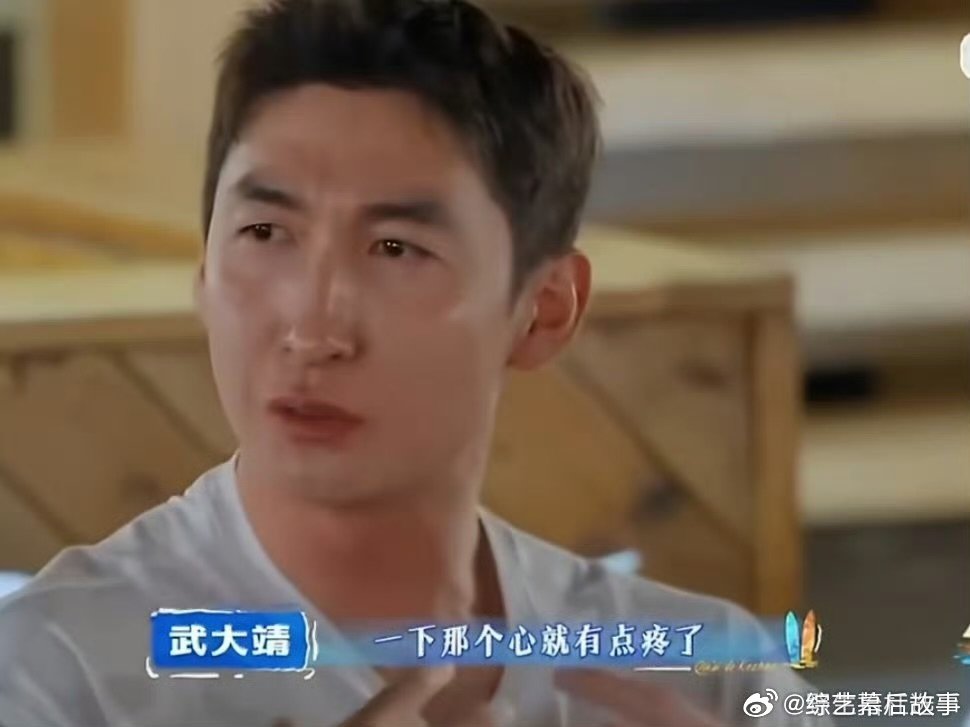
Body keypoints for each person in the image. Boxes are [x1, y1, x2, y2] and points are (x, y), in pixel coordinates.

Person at [0, 1, 828, 725]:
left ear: (544, 308)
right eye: (265, 233)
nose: (313, 327)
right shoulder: (53, 673)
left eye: (396, 248)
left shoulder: (709, 678)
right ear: (204, 269)